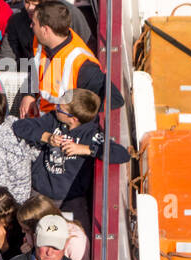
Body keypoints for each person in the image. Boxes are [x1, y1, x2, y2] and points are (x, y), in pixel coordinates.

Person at [17, 89, 128, 226]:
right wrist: (47, 137)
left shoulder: (91, 134)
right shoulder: (53, 120)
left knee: (77, 234)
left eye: (60, 108)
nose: (55, 107)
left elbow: (122, 154)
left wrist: (85, 149)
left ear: (73, 119)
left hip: (71, 198)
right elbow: (20, 126)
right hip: (40, 193)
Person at [17, 0, 110, 119]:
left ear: (45, 30)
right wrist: (28, 94)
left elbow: (111, 100)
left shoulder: (83, 64)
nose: (31, 26)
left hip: (61, 128)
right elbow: (34, 69)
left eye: (33, 23)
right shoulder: (41, 41)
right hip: (41, 120)